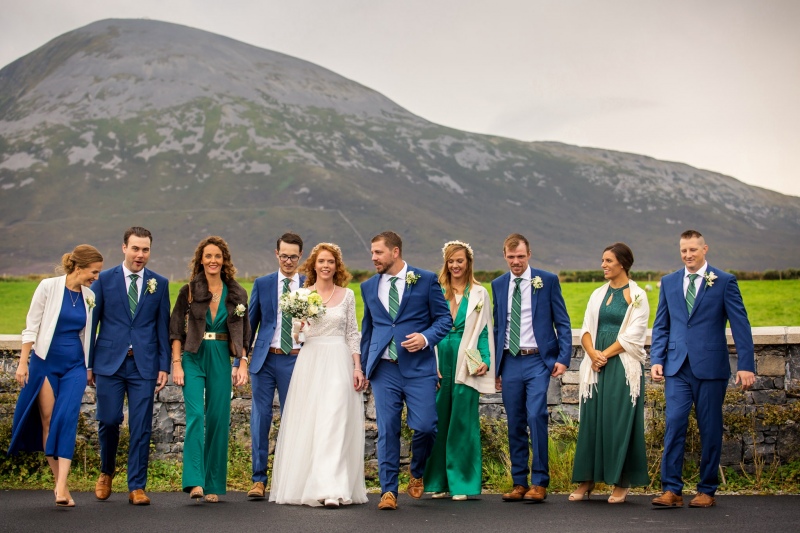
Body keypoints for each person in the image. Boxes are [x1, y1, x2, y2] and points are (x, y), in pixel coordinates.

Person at [650, 230, 755, 508]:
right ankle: (672, 489)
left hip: (710, 368)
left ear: (704, 249)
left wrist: (746, 365)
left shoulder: (724, 281)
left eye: (693, 250)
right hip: (676, 367)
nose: (688, 255)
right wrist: (657, 359)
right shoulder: (669, 282)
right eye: (683, 251)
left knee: (710, 428)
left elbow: (740, 324)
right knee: (674, 424)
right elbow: (662, 324)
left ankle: (707, 489)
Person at [269, 243, 368, 507]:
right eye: (321, 261)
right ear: (313, 265)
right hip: (311, 360)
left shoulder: (347, 295)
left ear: (337, 266)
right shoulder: (302, 295)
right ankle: (312, 484)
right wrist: (299, 328)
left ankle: (333, 488)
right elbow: (298, 336)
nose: (326, 266)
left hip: (338, 361)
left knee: (335, 421)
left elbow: (352, 334)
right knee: (313, 423)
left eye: (331, 261)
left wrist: (357, 367)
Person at [360, 231, 452, 510]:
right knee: (387, 429)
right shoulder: (368, 286)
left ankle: (416, 471)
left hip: (419, 368)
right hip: (384, 370)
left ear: (395, 252)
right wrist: (365, 366)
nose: (373, 257)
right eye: (372, 252)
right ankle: (388, 491)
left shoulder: (424, 280)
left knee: (425, 426)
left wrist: (425, 338)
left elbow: (444, 319)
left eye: (378, 252)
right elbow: (369, 329)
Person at [9, 245, 104, 507]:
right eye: (93, 272)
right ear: (79, 267)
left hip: (74, 366)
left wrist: (89, 366)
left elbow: (86, 335)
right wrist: (22, 363)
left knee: (67, 418)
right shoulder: (48, 287)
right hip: (45, 364)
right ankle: (58, 483)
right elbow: (32, 326)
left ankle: (62, 486)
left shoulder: (88, 296)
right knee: (49, 420)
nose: (96, 277)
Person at [89, 227, 171, 506]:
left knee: (141, 426)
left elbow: (162, 327)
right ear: (124, 248)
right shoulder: (103, 281)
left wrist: (164, 366)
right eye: (135, 248)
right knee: (109, 420)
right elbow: (92, 325)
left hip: (144, 366)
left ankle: (137, 486)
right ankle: (106, 470)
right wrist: (89, 364)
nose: (140, 255)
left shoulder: (159, 283)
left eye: (145, 249)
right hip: (109, 364)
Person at [168, 236, 251, 503]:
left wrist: (242, 362)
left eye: (218, 256)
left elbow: (245, 332)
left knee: (217, 419)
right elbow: (175, 331)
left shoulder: (237, 293)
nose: (213, 260)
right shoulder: (189, 290)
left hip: (220, 357)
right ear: (200, 260)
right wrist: (177, 364)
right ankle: (195, 482)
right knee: (195, 416)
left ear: (224, 260)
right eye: (208, 256)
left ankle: (214, 483)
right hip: (194, 356)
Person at [491, 233, 571, 503]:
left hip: (538, 360)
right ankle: (518, 482)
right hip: (510, 360)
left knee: (536, 415)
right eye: (511, 257)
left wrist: (563, 356)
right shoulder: (499, 285)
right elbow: (498, 325)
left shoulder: (546, 281)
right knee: (514, 421)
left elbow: (563, 320)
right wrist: (496, 368)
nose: (516, 261)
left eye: (521, 256)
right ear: (505, 256)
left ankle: (539, 482)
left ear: (529, 255)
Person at [571, 243, 650, 503]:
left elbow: (635, 334)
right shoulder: (597, 294)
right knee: (592, 422)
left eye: (608, 261)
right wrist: (593, 353)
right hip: (596, 366)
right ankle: (587, 479)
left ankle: (621, 482)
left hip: (622, 365)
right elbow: (585, 328)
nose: (603, 265)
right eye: (602, 260)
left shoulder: (637, 295)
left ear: (622, 264)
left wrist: (604, 354)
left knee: (618, 422)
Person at [424, 241, 495, 501]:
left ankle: (462, 484)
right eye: (451, 261)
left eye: (460, 261)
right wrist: (430, 364)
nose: (455, 265)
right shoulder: (436, 290)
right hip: (439, 358)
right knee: (437, 421)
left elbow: (485, 329)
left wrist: (485, 359)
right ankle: (436, 482)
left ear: (468, 263)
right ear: (446, 263)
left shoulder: (479, 293)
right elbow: (426, 327)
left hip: (467, 361)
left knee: (463, 423)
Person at [243, 232, 306, 499]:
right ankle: (259, 480)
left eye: (293, 256)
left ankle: (291, 479)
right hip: (265, 359)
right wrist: (241, 360)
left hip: (297, 360)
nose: (288, 260)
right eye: (284, 255)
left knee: (296, 420)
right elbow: (250, 324)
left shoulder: (310, 285)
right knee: (261, 418)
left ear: (300, 256)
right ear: (276, 253)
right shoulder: (263, 283)